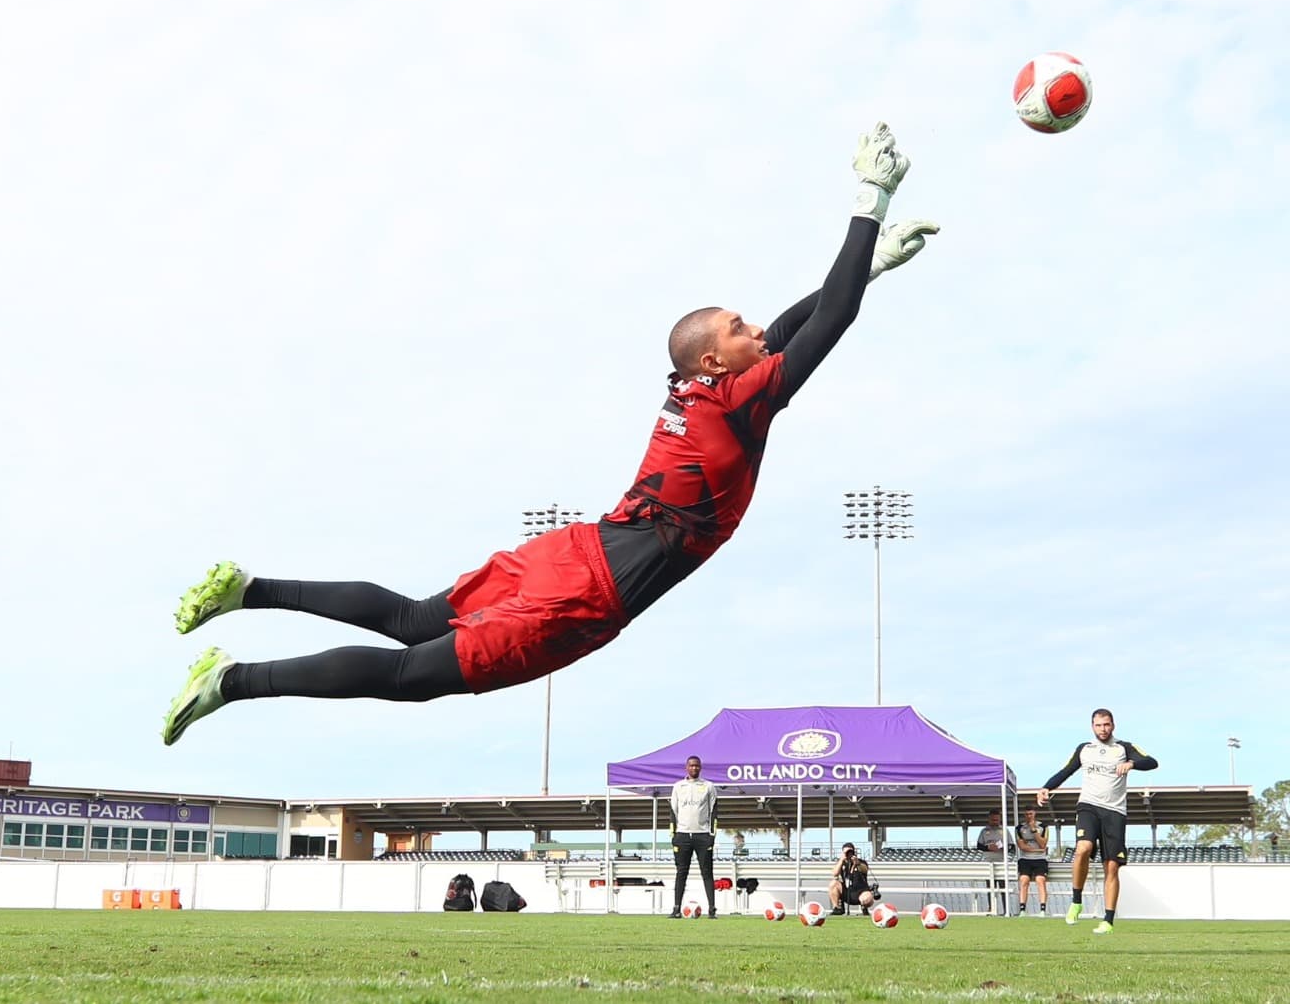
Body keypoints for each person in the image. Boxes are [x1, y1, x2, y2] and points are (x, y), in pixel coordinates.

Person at [157, 123, 939, 747]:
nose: (758, 328)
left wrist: (866, 268)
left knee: (414, 620)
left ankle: (247, 590)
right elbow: (825, 322)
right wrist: (868, 205)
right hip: (588, 587)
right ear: (711, 355)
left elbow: (797, 324)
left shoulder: (698, 390)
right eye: (740, 326)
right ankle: (232, 680)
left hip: (578, 548)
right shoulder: (736, 403)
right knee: (410, 673)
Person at [1037, 708, 1158, 934]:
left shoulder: (1124, 747)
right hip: (1088, 806)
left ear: (1113, 725)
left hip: (1115, 812)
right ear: (1092, 726)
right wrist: (1046, 787)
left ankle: (1108, 920)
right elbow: (1065, 771)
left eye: (1107, 724)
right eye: (1098, 725)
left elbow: (1152, 762)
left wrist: (1131, 764)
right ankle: (1076, 901)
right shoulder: (1085, 749)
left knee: (1111, 867)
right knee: (1083, 848)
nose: (1103, 729)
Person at [669, 755, 718, 919]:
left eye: (697, 766)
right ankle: (676, 909)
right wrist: (674, 834)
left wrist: (712, 835)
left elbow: (714, 812)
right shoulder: (678, 786)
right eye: (691, 766)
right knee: (681, 872)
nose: (694, 768)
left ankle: (712, 910)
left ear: (700, 767)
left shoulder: (708, 786)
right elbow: (673, 812)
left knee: (707, 872)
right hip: (683, 835)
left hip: (702, 835)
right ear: (686, 767)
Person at [1015, 806, 1051, 916]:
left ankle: (1043, 910)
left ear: (1034, 814)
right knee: (1024, 880)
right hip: (1025, 859)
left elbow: (1043, 843)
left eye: (1030, 814)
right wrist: (1038, 849)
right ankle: (1022, 910)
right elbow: (1022, 846)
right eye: (1026, 814)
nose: (1028, 816)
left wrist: (1034, 830)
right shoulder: (1019, 828)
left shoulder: (1043, 827)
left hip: (1040, 859)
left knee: (1040, 880)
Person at [975, 809, 1010, 916]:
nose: (995, 822)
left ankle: (1006, 910)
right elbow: (979, 846)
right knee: (990, 887)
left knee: (1004, 887)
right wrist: (988, 847)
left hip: (1001, 862)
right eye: (993, 820)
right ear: (989, 819)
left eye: (997, 820)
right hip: (988, 862)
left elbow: (1011, 846)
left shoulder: (1004, 830)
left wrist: (1001, 846)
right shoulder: (984, 831)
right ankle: (991, 910)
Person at [828, 842, 875, 915]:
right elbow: (835, 874)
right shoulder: (841, 863)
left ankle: (864, 908)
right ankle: (837, 908)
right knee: (833, 883)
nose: (849, 854)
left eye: (850, 851)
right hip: (847, 892)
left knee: (867, 899)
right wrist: (841, 860)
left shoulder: (861, 862)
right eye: (846, 852)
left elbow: (865, 869)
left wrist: (857, 863)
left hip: (861, 892)